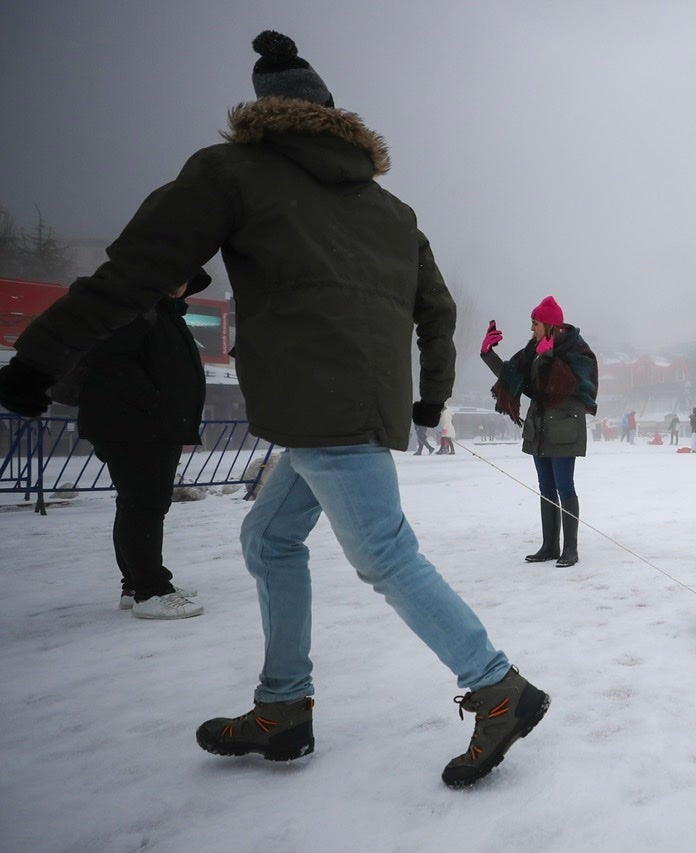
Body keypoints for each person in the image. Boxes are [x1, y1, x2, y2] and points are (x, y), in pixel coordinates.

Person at [0, 30, 547, 787]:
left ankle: (496, 687)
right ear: (331, 113)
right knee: (269, 537)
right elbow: (439, 308)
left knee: (385, 554)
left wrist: (40, 356)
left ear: (264, 113)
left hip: (316, 403)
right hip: (338, 406)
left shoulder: (232, 172)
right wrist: (425, 395)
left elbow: (136, 271)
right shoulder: (392, 209)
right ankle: (283, 706)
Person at [57, 273, 211, 619]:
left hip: (145, 427)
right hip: (136, 427)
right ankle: (149, 591)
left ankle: (137, 584)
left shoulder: (162, 313)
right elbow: (111, 363)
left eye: (183, 277)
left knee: (137, 505)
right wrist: (154, 405)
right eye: (173, 274)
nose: (178, 282)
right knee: (144, 506)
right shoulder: (134, 311)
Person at [481, 296, 598, 568]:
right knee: (546, 488)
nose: (532, 329)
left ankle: (570, 549)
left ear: (549, 325)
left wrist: (548, 357)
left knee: (564, 486)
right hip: (540, 428)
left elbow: (574, 388)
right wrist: (488, 354)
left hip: (564, 428)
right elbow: (514, 378)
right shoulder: (534, 348)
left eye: (535, 324)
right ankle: (549, 546)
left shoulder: (577, 350)